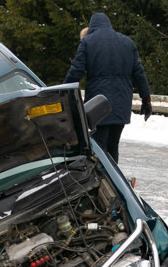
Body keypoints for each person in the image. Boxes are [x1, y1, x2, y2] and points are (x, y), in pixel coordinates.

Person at [64, 13, 153, 163]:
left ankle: (102, 182)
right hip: (121, 103)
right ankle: (114, 181)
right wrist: (146, 99)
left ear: (92, 27)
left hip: (97, 105)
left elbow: (75, 72)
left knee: (99, 147)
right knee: (113, 145)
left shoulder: (87, 42)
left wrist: (63, 94)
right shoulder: (127, 42)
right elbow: (139, 74)